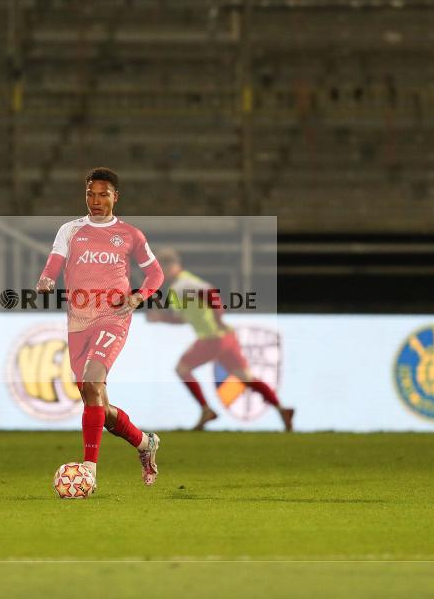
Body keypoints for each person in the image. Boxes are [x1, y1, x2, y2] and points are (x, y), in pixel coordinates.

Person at [36, 167, 165, 487]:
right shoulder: (70, 229)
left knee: (93, 383)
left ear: (115, 197)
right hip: (78, 321)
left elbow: (156, 276)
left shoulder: (131, 235)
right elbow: (55, 260)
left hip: (114, 316)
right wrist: (47, 277)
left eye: (103, 194)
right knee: (96, 403)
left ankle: (88, 471)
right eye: (90, 194)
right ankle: (145, 443)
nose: (95, 200)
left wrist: (138, 298)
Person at [147, 248, 294, 432]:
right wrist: (162, 319)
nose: (162, 270)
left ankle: (206, 410)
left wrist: (217, 317)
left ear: (175, 265)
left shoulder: (184, 283)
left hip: (212, 339)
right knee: (245, 378)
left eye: (164, 266)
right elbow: (184, 319)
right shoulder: (176, 289)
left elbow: (212, 294)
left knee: (182, 368)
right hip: (226, 337)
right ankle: (282, 409)